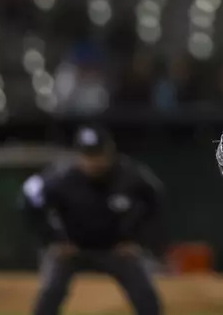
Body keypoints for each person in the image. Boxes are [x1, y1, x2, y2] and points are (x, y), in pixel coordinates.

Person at [19, 125, 166, 315]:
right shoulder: (60, 176)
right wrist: (53, 240)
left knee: (146, 297)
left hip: (114, 249)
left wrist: (137, 240)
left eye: (98, 154)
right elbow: (28, 202)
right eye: (87, 155)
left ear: (109, 152)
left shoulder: (129, 175)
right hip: (71, 249)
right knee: (50, 292)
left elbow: (155, 201)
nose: (93, 161)